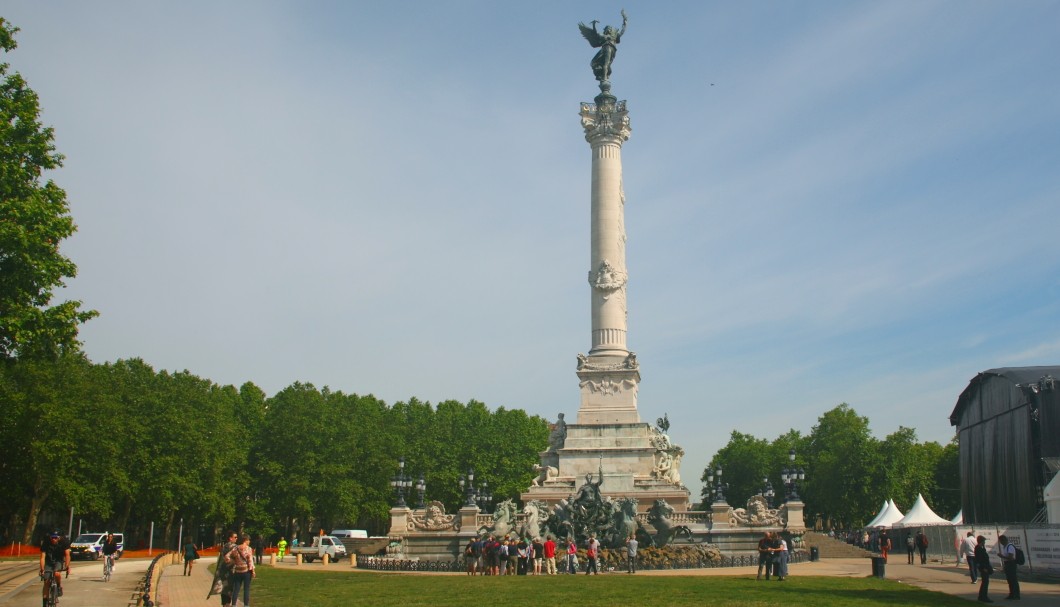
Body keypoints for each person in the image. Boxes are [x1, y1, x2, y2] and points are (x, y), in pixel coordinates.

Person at [209, 531, 239, 607]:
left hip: (222, 571)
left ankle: (224, 604)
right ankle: (228, 604)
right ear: (230, 538)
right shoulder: (234, 547)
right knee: (229, 589)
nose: (236, 539)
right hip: (231, 572)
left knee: (223, 589)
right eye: (235, 537)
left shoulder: (224, 546)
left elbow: (221, 559)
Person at [39, 530, 71, 603]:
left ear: (59, 538)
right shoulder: (46, 542)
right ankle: (45, 601)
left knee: (57, 573)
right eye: (52, 538)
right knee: (46, 582)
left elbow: (67, 555)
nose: (54, 539)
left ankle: (58, 586)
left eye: (55, 538)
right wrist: (42, 569)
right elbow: (42, 557)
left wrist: (67, 566)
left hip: (58, 560)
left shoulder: (64, 542)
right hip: (48, 561)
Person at [224, 534, 255, 607]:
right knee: (246, 589)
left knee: (236, 589)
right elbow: (250, 561)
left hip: (237, 571)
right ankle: (246, 605)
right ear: (245, 540)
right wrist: (253, 571)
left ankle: (234, 604)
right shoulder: (248, 549)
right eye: (248, 540)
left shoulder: (236, 548)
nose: (249, 541)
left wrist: (233, 561)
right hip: (246, 571)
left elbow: (226, 556)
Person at [997, 534, 1020, 600]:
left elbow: (1011, 557)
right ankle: (1012, 593)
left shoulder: (1010, 546)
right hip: (1007, 564)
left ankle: (1016, 594)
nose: (1000, 543)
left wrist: (1002, 556)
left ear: (1003, 540)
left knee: (1013, 580)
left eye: (1001, 541)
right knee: (1009, 580)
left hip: (1011, 564)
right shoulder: (1005, 547)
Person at [974, 535, 993, 603]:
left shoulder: (981, 548)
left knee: (985, 582)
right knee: (985, 582)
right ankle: (983, 596)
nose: (984, 542)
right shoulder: (978, 549)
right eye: (984, 541)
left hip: (985, 566)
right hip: (984, 567)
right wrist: (983, 568)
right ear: (981, 541)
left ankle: (982, 596)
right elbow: (979, 559)